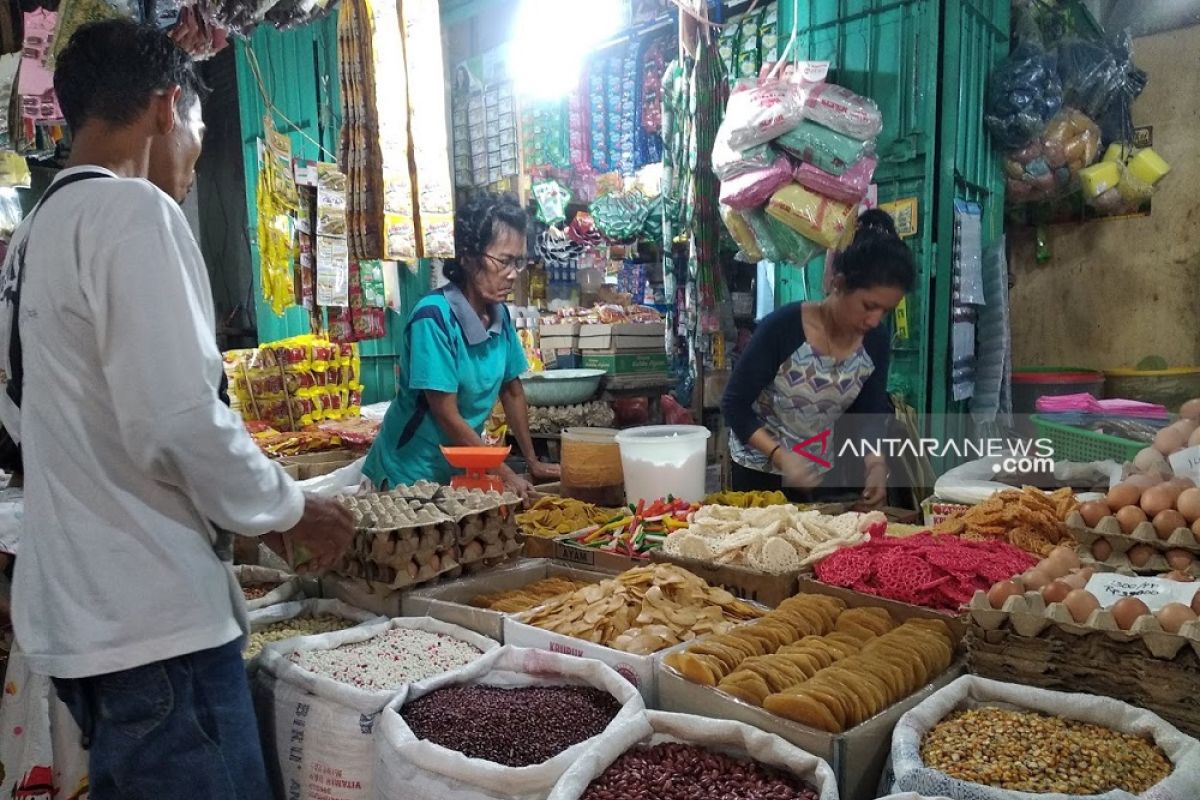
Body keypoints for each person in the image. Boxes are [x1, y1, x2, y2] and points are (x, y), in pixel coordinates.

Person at [0, 20, 354, 799]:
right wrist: (289, 510)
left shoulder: (34, 236)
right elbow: (176, 419)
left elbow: (23, 424)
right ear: (166, 109)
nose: (195, 151)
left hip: (81, 620)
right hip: (153, 627)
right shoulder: (132, 212)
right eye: (197, 123)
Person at [363, 191, 560, 498]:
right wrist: (506, 474)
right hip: (409, 471)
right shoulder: (433, 317)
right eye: (504, 261)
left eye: (518, 262)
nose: (513, 274)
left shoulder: (500, 315)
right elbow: (446, 414)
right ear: (468, 259)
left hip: (462, 467)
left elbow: (512, 390)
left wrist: (532, 461)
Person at [722, 209, 916, 506]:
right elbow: (734, 405)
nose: (875, 320)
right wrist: (781, 456)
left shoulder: (873, 341)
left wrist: (875, 464)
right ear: (838, 284)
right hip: (759, 472)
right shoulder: (782, 328)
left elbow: (870, 411)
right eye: (868, 305)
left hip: (818, 471)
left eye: (885, 311)